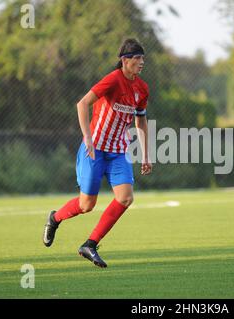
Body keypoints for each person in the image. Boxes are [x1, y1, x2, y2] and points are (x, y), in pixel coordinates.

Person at [42, 38, 152, 268]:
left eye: (143, 58)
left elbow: (140, 122)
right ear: (125, 60)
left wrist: (146, 154)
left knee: (125, 197)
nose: (142, 62)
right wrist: (88, 137)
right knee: (86, 205)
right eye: (138, 58)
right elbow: (82, 104)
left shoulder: (142, 88)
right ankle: (55, 218)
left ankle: (90, 244)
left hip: (118, 152)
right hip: (95, 150)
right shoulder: (113, 80)